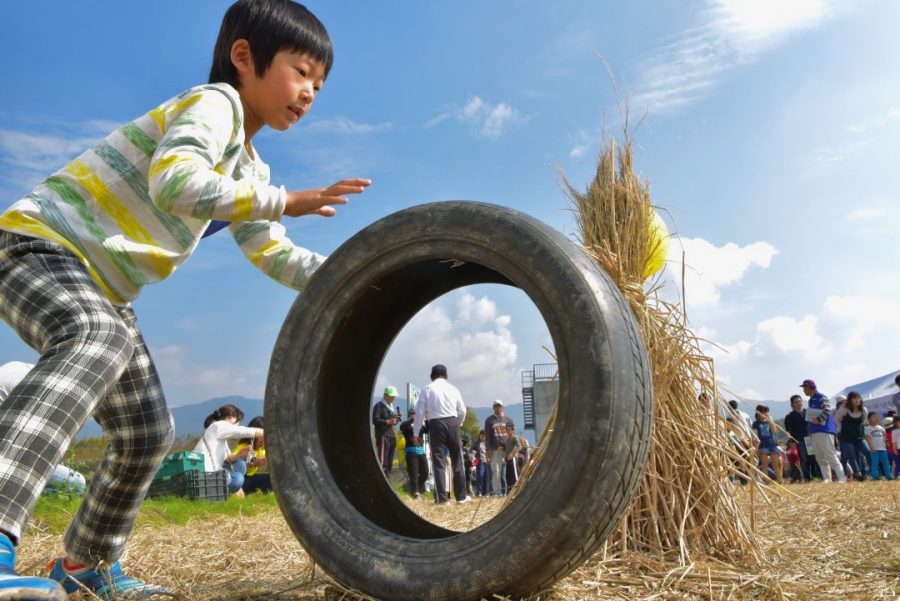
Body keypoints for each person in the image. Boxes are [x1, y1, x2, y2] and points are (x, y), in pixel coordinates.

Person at [0, 2, 370, 597]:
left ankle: (85, 566)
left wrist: (360, 273)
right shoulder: (214, 104)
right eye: (301, 72)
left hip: (106, 290)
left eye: (319, 84)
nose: (309, 93)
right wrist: (283, 200)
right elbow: (174, 182)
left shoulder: (252, 168)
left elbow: (274, 252)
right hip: (41, 246)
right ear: (244, 57)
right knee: (98, 336)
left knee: (147, 430)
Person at [412, 365, 469, 505]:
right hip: (453, 421)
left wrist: (416, 432)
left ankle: (442, 499)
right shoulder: (453, 389)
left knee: (438, 462)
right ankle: (461, 497)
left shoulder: (427, 389)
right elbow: (462, 411)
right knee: (457, 460)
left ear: (432, 376)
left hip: (436, 423)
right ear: (446, 375)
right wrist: (458, 424)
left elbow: (419, 412)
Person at [194, 404, 265, 496]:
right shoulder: (218, 426)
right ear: (231, 417)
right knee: (238, 479)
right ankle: (217, 493)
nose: (238, 424)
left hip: (213, 473)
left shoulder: (222, 439)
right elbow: (243, 431)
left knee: (240, 466)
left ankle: (220, 492)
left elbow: (228, 459)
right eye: (238, 421)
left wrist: (240, 454)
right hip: (204, 473)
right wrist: (266, 432)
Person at [801, 379, 846, 483]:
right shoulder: (810, 401)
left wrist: (819, 419)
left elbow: (827, 410)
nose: (804, 390)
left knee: (830, 454)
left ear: (811, 387)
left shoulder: (822, 397)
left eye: (805, 387)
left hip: (825, 430)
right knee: (819, 456)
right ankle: (827, 478)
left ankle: (842, 477)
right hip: (814, 431)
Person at [232, 417, 271, 494]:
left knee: (273, 479)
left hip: (252, 477)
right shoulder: (245, 447)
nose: (263, 439)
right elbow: (232, 466)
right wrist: (255, 463)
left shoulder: (262, 448)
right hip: (241, 480)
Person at [834, 391, 867, 482]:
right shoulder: (841, 409)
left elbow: (863, 421)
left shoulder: (862, 409)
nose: (857, 400)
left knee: (863, 454)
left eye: (858, 398)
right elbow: (836, 420)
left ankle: (863, 473)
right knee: (848, 457)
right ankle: (855, 474)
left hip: (858, 436)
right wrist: (840, 430)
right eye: (854, 398)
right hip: (845, 436)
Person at [484, 399, 514, 497]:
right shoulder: (489, 420)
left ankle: (506, 492)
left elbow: (512, 434)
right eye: (496, 406)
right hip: (495, 450)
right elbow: (487, 436)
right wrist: (489, 449)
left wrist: (512, 449)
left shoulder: (508, 419)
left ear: (503, 407)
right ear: (493, 408)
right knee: (496, 471)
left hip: (507, 450)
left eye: (499, 406)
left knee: (505, 473)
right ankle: (497, 492)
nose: (498, 408)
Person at [398, 408, 428, 499]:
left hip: (421, 452)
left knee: (425, 473)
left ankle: (415, 488)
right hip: (411, 452)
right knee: (413, 474)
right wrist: (412, 419)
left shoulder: (419, 426)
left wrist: (426, 420)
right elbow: (402, 427)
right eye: (413, 413)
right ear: (409, 415)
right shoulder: (406, 425)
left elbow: (427, 430)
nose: (415, 415)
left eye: (416, 413)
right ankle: (415, 493)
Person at [372, 386, 400, 476]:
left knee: (389, 463)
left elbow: (393, 423)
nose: (393, 398)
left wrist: (396, 419)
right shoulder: (379, 405)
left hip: (391, 436)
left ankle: (387, 479)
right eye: (391, 396)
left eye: (394, 397)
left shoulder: (391, 407)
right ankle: (380, 480)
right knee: (383, 462)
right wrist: (387, 421)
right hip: (383, 436)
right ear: (385, 395)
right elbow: (375, 420)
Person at [783, 394, 812, 482]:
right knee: (804, 459)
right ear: (792, 404)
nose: (799, 403)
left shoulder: (807, 412)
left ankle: (816, 476)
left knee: (812, 458)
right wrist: (792, 442)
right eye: (796, 402)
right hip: (798, 441)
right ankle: (807, 478)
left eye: (800, 401)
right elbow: (789, 432)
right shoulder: (789, 417)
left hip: (810, 439)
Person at [751, 405, 782, 484]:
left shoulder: (768, 421)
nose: (766, 413)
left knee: (775, 463)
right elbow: (755, 436)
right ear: (760, 412)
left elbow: (774, 430)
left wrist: (770, 420)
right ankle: (766, 480)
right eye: (765, 412)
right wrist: (756, 448)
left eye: (767, 412)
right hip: (762, 444)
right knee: (765, 464)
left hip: (771, 443)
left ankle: (780, 480)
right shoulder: (755, 423)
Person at [865, 411, 893, 480]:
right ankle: (875, 476)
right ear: (869, 419)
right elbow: (868, 439)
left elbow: (884, 437)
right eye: (873, 417)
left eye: (877, 417)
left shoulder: (881, 428)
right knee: (875, 463)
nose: (876, 418)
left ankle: (888, 475)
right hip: (874, 449)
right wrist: (871, 447)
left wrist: (886, 443)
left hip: (883, 449)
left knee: (886, 463)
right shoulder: (868, 428)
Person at [503, 424, 523, 493]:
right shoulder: (507, 439)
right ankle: (510, 491)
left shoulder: (515, 437)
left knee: (514, 475)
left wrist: (512, 453)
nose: (507, 431)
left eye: (508, 429)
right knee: (508, 476)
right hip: (507, 460)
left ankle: (516, 491)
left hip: (513, 460)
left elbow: (519, 446)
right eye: (506, 429)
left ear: (512, 430)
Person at [472, 430, 490, 496]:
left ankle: (485, 492)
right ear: (479, 436)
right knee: (480, 477)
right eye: (481, 435)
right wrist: (474, 464)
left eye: (484, 435)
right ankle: (479, 492)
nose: (483, 437)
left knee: (486, 477)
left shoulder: (488, 443)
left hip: (487, 462)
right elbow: (473, 454)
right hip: (480, 462)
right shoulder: (476, 443)